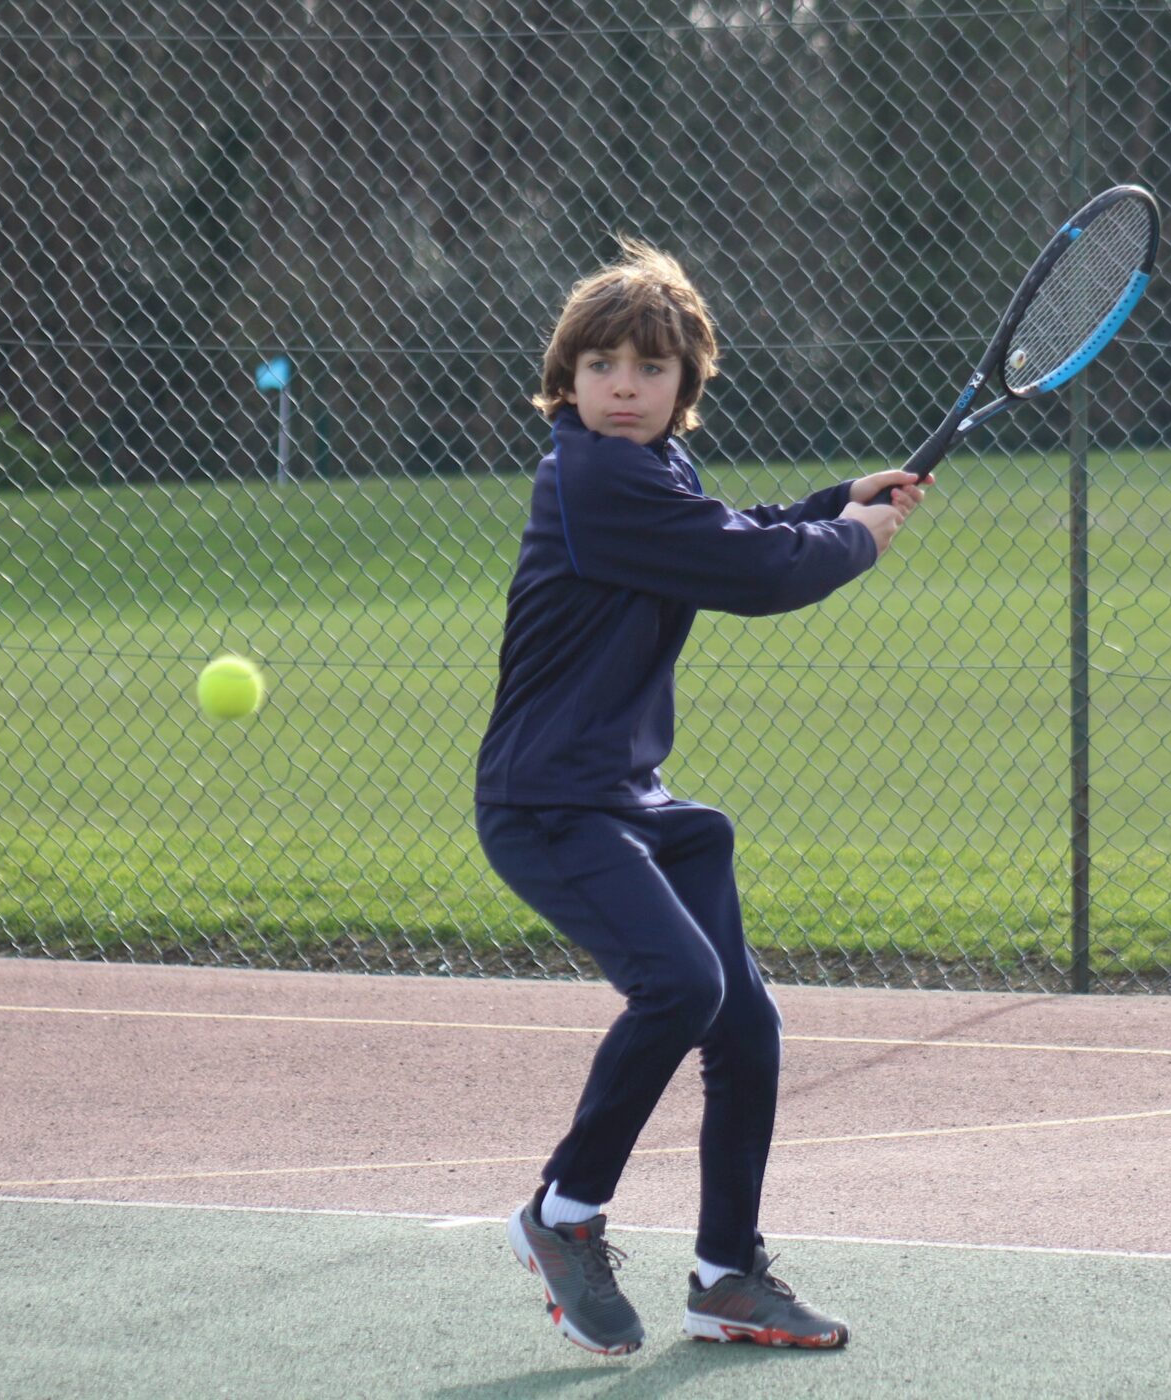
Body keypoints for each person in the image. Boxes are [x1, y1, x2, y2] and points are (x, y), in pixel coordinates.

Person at [476, 238, 923, 1354]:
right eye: (601, 365)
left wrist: (836, 500)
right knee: (679, 982)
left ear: (685, 389)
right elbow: (756, 573)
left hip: (631, 799)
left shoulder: (650, 473)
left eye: (649, 368)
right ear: (566, 379)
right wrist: (855, 541)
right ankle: (562, 1213)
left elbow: (733, 527)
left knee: (746, 1024)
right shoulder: (589, 472)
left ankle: (726, 1276)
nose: (622, 385)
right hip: (551, 801)